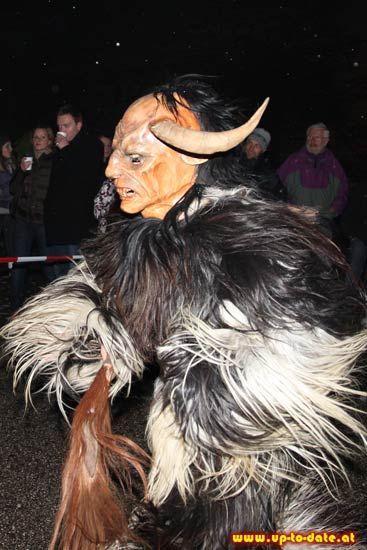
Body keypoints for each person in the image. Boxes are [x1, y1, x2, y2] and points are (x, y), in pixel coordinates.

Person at [2, 76, 367, 550]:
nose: (111, 168)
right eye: (116, 152)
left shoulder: (252, 242)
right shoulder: (142, 237)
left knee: (243, 529)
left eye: (134, 158)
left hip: (245, 466)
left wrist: (213, 389)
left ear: (189, 159)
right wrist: (87, 338)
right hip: (181, 451)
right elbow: (110, 310)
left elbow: (305, 344)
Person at [44, 104, 104, 279]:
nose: (61, 130)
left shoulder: (92, 145)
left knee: (73, 277)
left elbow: (85, 179)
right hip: (55, 226)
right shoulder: (61, 150)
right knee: (55, 277)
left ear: (79, 125)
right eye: (59, 126)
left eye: (66, 126)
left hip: (75, 225)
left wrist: (66, 150)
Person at [9, 126, 55, 310]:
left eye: (42, 137)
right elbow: (14, 189)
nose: (38, 140)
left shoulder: (54, 161)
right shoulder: (26, 161)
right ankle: (15, 308)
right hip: (23, 220)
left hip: (43, 221)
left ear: (50, 140)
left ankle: (53, 307)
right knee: (19, 264)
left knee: (50, 265)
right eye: (36, 137)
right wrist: (20, 171)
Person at [277, 122, 349, 239]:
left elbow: (343, 194)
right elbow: (276, 189)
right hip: (296, 224)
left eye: (317, 137)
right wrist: (290, 210)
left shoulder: (335, 166)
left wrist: (328, 213)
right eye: (309, 137)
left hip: (323, 228)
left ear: (326, 140)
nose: (312, 140)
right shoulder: (293, 161)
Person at [239, 127, 286, 200]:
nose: (251, 148)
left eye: (256, 145)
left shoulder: (268, 176)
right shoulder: (231, 165)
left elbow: (279, 198)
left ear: (262, 150)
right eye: (250, 143)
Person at [0, 135, 16, 257]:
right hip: (4, 212)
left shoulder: (11, 164)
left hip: (13, 211)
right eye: (7, 146)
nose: (10, 149)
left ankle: (12, 271)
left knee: (12, 247)